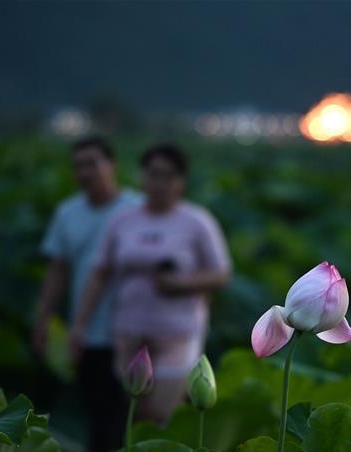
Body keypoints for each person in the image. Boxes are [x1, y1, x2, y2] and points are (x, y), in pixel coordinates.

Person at [70, 144, 231, 422]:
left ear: (181, 181)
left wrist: (180, 284)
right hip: (129, 331)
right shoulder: (121, 221)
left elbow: (221, 273)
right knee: (135, 413)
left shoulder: (197, 221)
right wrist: (80, 325)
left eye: (168, 176)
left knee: (161, 413)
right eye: (153, 174)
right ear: (142, 176)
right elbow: (100, 273)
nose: (159, 183)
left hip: (179, 332)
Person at [33, 136, 141, 452]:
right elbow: (57, 272)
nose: (84, 172)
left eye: (92, 163)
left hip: (133, 328)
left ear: (113, 165)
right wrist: (43, 320)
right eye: (78, 166)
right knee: (97, 412)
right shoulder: (67, 213)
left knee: (131, 413)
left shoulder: (136, 208)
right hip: (89, 329)